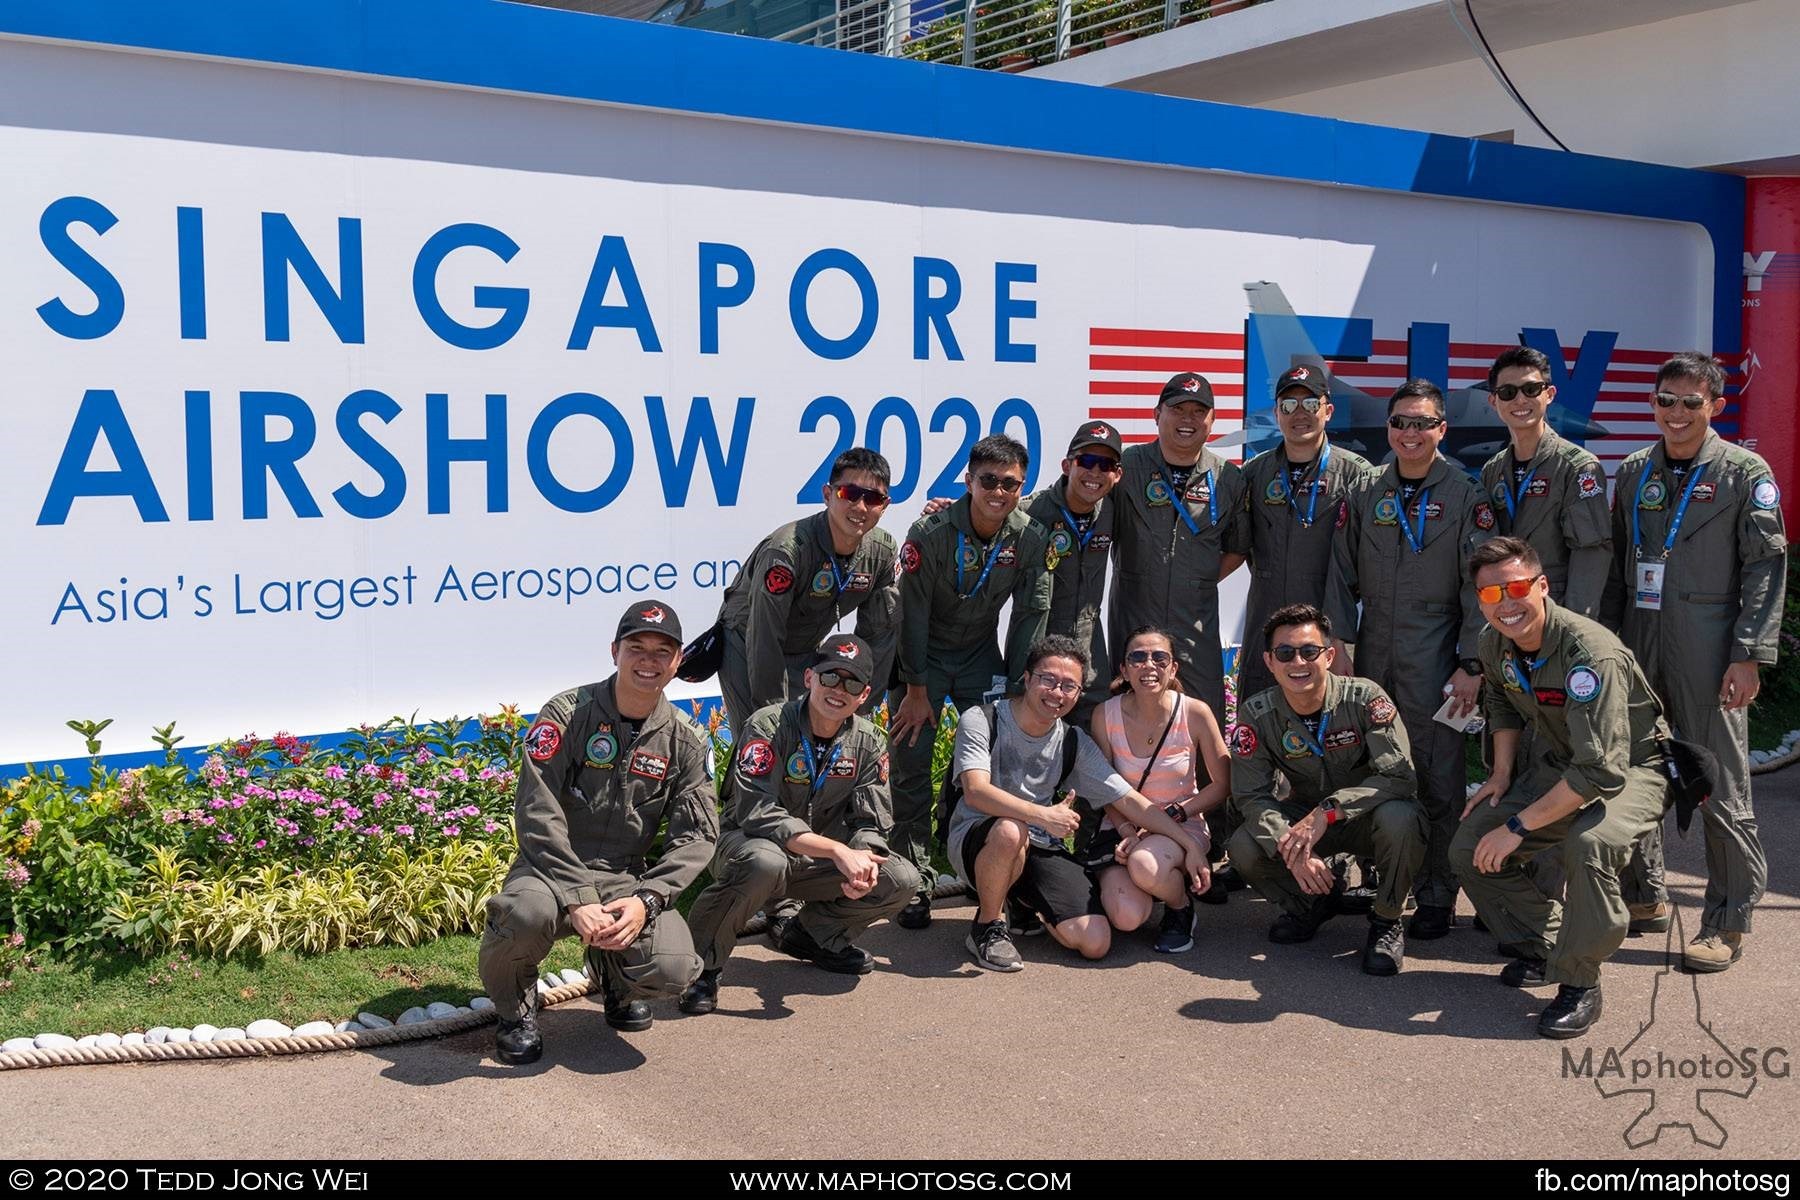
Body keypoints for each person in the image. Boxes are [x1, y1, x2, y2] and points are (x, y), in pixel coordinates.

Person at [1602, 353, 1786, 973]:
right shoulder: (1633, 470)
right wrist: (1605, 646)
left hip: (1709, 644)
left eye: (1690, 402)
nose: (1676, 413)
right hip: (1638, 638)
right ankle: (1645, 893)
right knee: (1631, 768)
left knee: (1717, 779)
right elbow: (1615, 568)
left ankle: (1728, 918)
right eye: (1665, 399)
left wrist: (1749, 654)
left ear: (1715, 407)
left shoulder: (1743, 473)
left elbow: (1765, 567)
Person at [479, 600, 719, 1064]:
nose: (648, 661)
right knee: (523, 916)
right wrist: (577, 895)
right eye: (637, 647)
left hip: (625, 877)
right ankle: (516, 1012)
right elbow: (537, 811)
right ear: (615, 651)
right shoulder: (568, 713)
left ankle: (616, 981)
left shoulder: (686, 740)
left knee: (673, 968)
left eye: (661, 651)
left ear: (677, 661)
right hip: (549, 869)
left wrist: (647, 897)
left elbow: (697, 836)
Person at [1454, 538, 1670, 1038]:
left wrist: (1518, 824)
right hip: (1563, 764)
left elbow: (1601, 771)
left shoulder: (1589, 654)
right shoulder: (1494, 642)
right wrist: (1502, 775)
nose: (1506, 604)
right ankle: (1550, 949)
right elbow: (1504, 705)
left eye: (1516, 588)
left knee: (1589, 844)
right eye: (1491, 595)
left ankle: (1580, 982)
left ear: (1542, 585)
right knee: (1469, 847)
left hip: (1632, 769)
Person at [1326, 378, 1495, 942]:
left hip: (1438, 655)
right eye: (1400, 422)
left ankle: (1438, 892)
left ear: (1442, 429)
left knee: (1439, 776)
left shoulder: (1468, 497)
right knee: (1373, 767)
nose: (1410, 433)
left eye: (1422, 423)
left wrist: (1471, 663)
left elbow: (1481, 589)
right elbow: (1341, 574)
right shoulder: (1369, 492)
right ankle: (1383, 879)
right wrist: (1340, 648)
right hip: (1375, 652)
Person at [679, 636, 918, 1016]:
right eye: (830, 677)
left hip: (812, 859)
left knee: (900, 879)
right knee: (765, 861)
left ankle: (809, 938)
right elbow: (756, 812)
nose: (838, 690)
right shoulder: (769, 725)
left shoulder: (869, 741)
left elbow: (870, 822)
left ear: (864, 694)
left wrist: (865, 863)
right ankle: (702, 968)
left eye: (852, 683)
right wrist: (838, 851)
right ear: (809, 677)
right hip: (746, 847)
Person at [945, 635, 1210, 972]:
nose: (1057, 693)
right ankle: (987, 927)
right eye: (1047, 680)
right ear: (1026, 678)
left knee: (1095, 942)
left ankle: (1018, 895)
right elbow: (976, 792)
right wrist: (1042, 815)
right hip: (980, 837)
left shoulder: (1072, 741)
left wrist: (1188, 843)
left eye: (1069, 686)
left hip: (1039, 842)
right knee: (1011, 831)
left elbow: (1127, 799)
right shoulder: (983, 719)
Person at [888, 435, 1052, 929]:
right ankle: (913, 878)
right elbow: (910, 616)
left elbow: (1031, 612)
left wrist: (1022, 686)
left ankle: (982, 863)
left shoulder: (1030, 536)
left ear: (1022, 488)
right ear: (969, 480)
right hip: (924, 660)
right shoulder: (931, 532)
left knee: (995, 762)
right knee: (912, 762)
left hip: (982, 658)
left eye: (1010, 483)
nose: (998, 492)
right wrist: (916, 690)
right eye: (988, 480)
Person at [1226, 604, 1425, 976]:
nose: (1297, 662)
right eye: (1285, 653)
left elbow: (1400, 778)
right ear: (1269, 661)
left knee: (1403, 817)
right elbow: (1251, 796)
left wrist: (1330, 811)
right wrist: (1291, 846)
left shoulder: (1366, 699)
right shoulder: (1257, 712)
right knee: (1244, 844)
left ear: (1330, 655)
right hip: (1303, 821)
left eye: (1309, 651)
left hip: (1366, 819)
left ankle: (1386, 920)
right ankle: (1312, 903)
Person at [716, 447, 900, 732]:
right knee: (763, 741)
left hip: (805, 648)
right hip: (746, 644)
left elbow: (879, 638)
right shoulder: (787, 550)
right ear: (828, 494)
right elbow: (764, 636)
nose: (861, 507)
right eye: (849, 494)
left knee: (819, 740)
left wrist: (860, 708)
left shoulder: (882, 551)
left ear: (885, 505)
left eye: (873, 499)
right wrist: (774, 715)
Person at [1108, 371, 1251, 724]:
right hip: (1134, 616)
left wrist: (1196, 578)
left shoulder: (1228, 478)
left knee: (1203, 715)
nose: (1188, 420)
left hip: (1195, 625)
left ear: (1212, 420)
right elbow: (1071, 501)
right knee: (1127, 714)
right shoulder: (1125, 468)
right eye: (1178, 409)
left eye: (1198, 411)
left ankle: (1206, 782)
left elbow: (1238, 547)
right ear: (1157, 414)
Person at [1237, 362, 1379, 701]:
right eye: (1288, 405)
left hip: (1330, 625)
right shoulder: (1254, 474)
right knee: (1260, 716)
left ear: (1328, 410)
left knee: (1330, 722)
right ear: (1276, 413)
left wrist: (1342, 638)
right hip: (1266, 621)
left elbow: (1370, 557)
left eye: (1310, 403)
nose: (1299, 413)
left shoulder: (1357, 476)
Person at [1087, 626, 1230, 954]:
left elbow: (1223, 785)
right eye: (1137, 658)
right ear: (1124, 669)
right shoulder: (1104, 715)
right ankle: (1150, 885)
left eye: (1159, 658)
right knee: (1126, 918)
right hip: (1124, 829)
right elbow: (1104, 786)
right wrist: (1126, 827)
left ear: (1173, 667)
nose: (1148, 665)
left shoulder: (1195, 712)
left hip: (1181, 823)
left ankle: (1180, 907)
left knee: (1145, 867)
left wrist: (1179, 811)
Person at [1477, 347, 1612, 618]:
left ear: (1549, 395)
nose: (1519, 400)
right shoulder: (1493, 470)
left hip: (1554, 610)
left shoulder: (1577, 467)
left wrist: (1574, 627)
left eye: (1531, 389)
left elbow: (1590, 555)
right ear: (1494, 401)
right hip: (1505, 610)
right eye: (1508, 392)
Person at [1022, 420, 1125, 724]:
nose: (1095, 473)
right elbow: (985, 515)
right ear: (1067, 465)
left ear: (1117, 475)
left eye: (1105, 464)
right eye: (1087, 461)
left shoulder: (1113, 510)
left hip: (1091, 661)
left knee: (1091, 750)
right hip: (1042, 656)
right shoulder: (1031, 511)